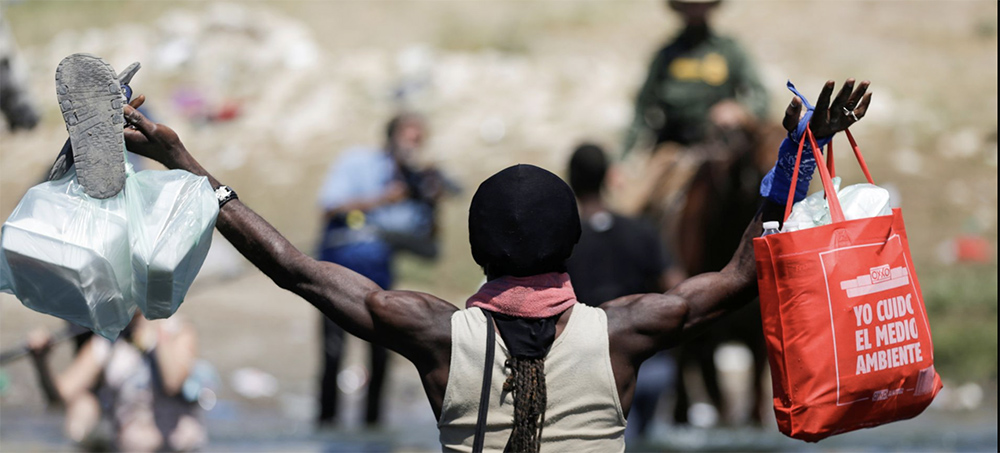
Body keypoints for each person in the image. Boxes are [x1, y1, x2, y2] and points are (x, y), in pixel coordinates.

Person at [121, 79, 870, 451]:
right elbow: (742, 274)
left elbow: (293, 267)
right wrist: (798, 157)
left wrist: (186, 166)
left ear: (479, 253)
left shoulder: (433, 333)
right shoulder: (624, 332)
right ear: (569, 248)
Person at [315, 112, 447, 427]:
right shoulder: (357, 162)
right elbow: (330, 206)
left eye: (418, 141)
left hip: (379, 282)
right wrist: (384, 199)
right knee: (333, 354)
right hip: (335, 272)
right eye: (408, 138)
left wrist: (433, 204)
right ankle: (326, 426)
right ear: (391, 137)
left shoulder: (414, 184)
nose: (412, 146)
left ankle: (372, 431)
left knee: (380, 357)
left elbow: (428, 248)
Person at [564, 142, 679, 440]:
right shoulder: (642, 231)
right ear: (607, 177)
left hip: (592, 370)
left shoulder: (562, 242)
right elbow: (676, 287)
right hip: (650, 367)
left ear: (570, 180)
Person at [27, 312, 206, 452]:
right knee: (80, 411)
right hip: (128, 448)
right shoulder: (106, 342)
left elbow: (173, 383)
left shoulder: (177, 329)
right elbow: (59, 398)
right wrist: (41, 362)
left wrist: (157, 334)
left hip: (180, 448)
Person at [622, 0, 769, 154]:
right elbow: (643, 104)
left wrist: (739, 112)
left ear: (710, 7)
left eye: (700, 5)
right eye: (689, 6)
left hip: (720, 143)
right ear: (680, 9)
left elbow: (760, 95)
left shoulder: (729, 50)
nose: (695, 11)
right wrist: (625, 154)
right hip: (675, 143)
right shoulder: (666, 54)